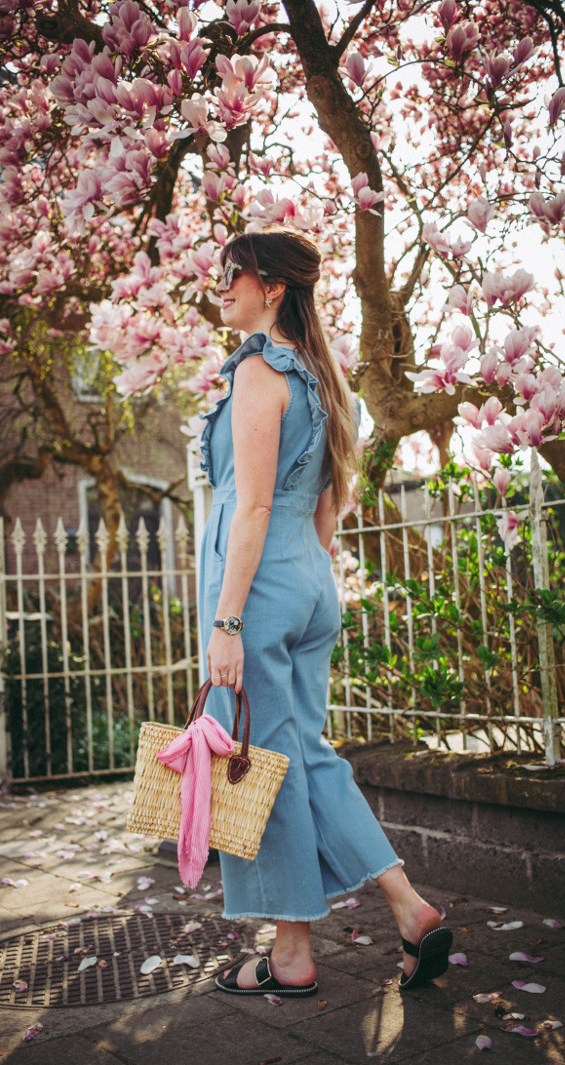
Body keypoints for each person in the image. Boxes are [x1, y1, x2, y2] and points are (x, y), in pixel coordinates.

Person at [198, 228, 452, 996]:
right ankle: (409, 909)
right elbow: (329, 504)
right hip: (308, 582)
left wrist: (228, 622)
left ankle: (292, 956)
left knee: (258, 762)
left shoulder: (258, 372)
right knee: (303, 755)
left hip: (259, 594)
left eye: (234, 275)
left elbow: (252, 507)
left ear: (273, 287)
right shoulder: (324, 379)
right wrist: (299, 575)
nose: (221, 287)